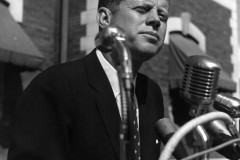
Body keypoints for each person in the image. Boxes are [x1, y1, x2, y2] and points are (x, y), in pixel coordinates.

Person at [8, 0, 170, 159]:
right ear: (105, 18)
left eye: (163, 15)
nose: (156, 20)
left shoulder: (151, 93)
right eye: (142, 9)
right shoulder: (56, 86)